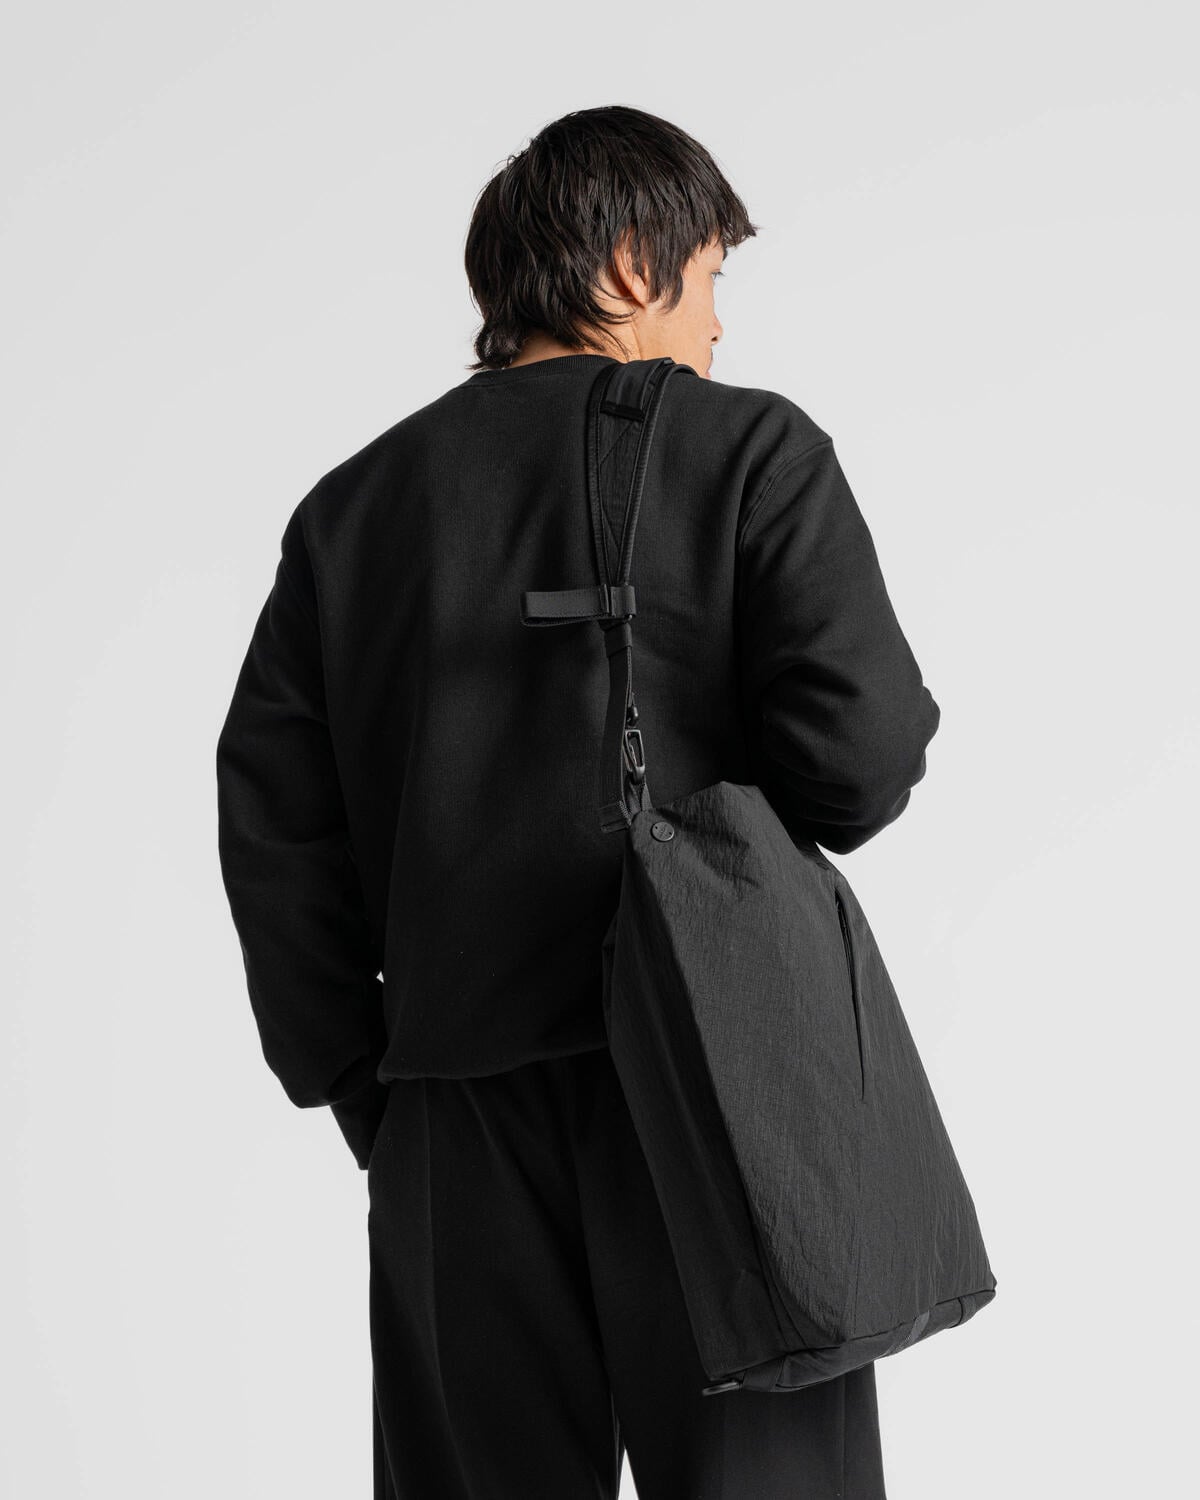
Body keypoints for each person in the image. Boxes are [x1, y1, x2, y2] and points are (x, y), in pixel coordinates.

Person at [216, 104, 940, 1500]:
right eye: (710, 275)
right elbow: (862, 758)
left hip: (451, 1109)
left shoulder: (351, 511)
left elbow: (275, 830)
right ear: (625, 267)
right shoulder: (748, 452)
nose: (718, 323)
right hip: (725, 1096)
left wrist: (368, 1085)